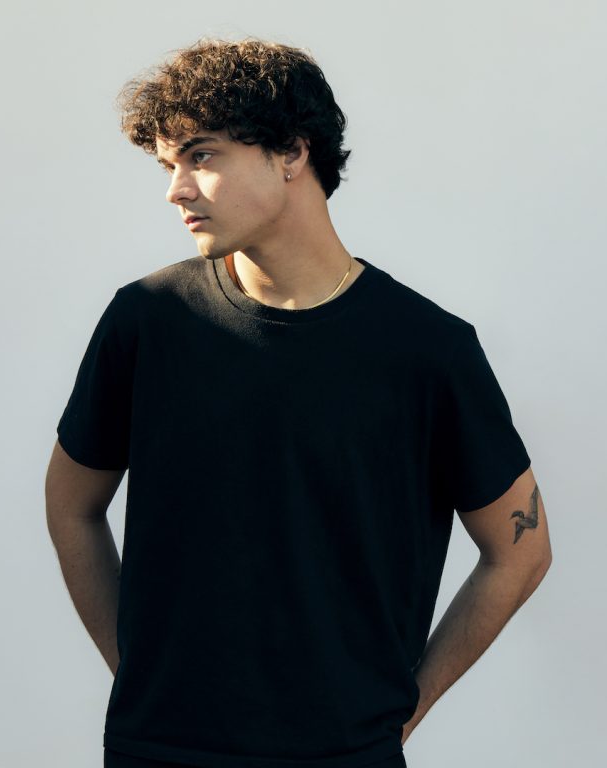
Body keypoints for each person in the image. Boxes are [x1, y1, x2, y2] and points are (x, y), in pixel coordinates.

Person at [45, 38, 553, 768]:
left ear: (291, 152)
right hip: (158, 750)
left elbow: (521, 551)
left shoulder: (426, 349)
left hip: (342, 755)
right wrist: (138, 673)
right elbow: (70, 504)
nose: (177, 190)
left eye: (202, 156)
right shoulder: (148, 320)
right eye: (168, 165)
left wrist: (402, 711)